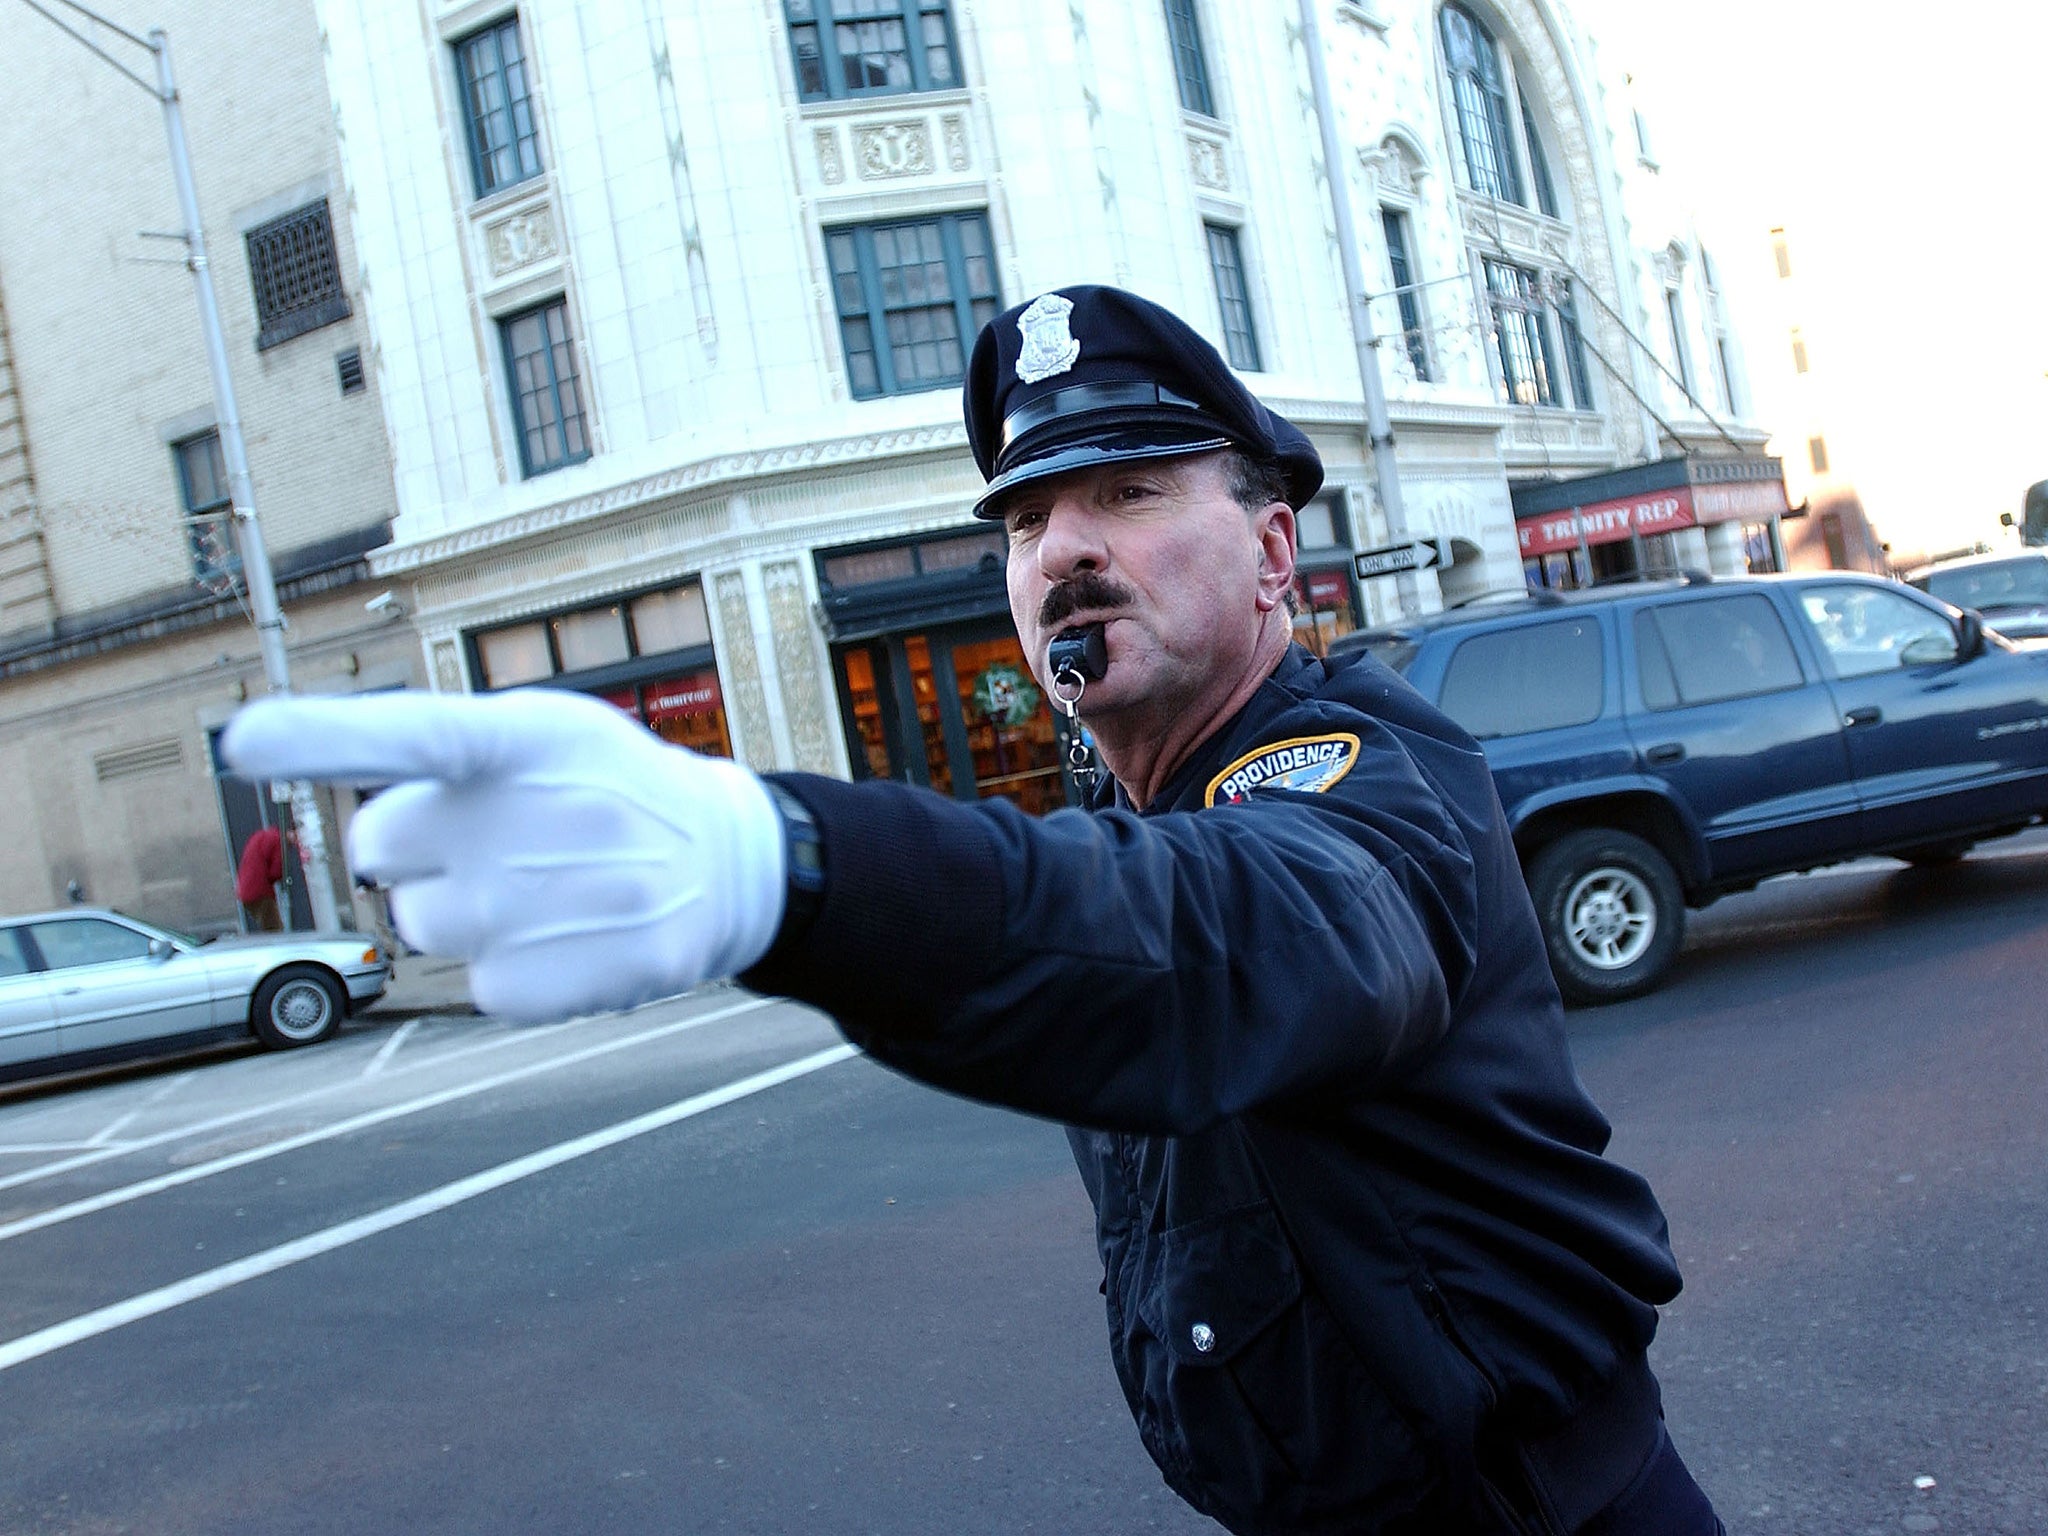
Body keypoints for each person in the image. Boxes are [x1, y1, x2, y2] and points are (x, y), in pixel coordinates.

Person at [222, 285, 1722, 1535]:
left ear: (1274, 555)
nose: (1065, 548)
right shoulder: (1143, 813)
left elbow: (1232, 940)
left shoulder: (1358, 781)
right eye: (1025, 519)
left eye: (1131, 495)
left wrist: (790, 864)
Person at [234, 823, 287, 932]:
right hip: (261, 891)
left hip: (244, 890)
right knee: (275, 929)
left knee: (267, 925)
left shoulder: (261, 836)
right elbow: (276, 871)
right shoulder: (279, 841)